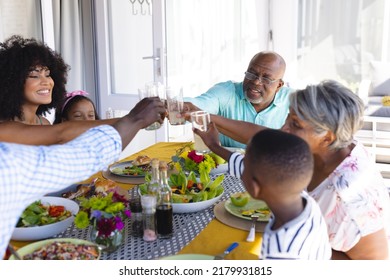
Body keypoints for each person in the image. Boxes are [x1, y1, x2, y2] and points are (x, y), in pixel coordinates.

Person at [194, 80, 390, 259]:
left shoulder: (349, 200)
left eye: (294, 124)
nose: (283, 129)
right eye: (288, 118)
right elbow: (264, 156)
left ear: (327, 137)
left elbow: (374, 266)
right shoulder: (326, 148)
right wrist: (216, 146)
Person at [0, 97, 166, 259]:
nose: (45, 81)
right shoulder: (7, 139)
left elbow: (64, 134)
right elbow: (64, 139)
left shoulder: (41, 122)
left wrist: (136, 120)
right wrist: (134, 119)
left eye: (47, 74)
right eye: (34, 74)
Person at [242, 129, 331, 259]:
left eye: (244, 166)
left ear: (254, 188)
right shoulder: (305, 201)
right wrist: (215, 146)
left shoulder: (281, 252)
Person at [184, 51, 292, 148]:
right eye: (251, 73)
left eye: (266, 78)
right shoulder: (226, 91)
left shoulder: (294, 101)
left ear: (279, 85)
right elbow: (201, 104)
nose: (256, 82)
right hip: (225, 168)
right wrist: (178, 106)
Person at [0, 35, 68, 125]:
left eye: (47, 75)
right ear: (13, 83)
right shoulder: (3, 127)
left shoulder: (44, 123)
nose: (46, 82)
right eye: (35, 76)